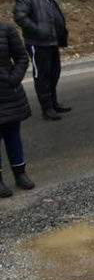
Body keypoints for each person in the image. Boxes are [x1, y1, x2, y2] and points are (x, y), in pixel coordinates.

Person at [13, 0, 71, 120]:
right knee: (42, 76)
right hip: (37, 43)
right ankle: (47, 108)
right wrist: (37, 30)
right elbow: (19, 16)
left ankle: (53, 103)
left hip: (52, 42)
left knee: (54, 73)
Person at [0, 22, 34, 197]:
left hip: (8, 93)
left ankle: (20, 174)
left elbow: (22, 57)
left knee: (13, 135)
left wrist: (13, 79)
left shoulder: (6, 30)